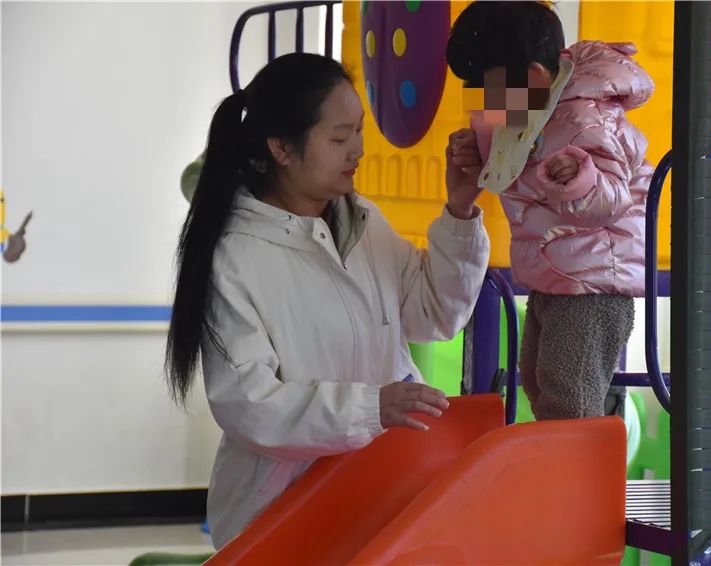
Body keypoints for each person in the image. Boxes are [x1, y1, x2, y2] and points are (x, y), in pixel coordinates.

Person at [165, 52, 490, 548]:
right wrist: (369, 408)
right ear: (281, 148)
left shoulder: (363, 221)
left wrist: (460, 210)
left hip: (381, 485)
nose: (357, 149)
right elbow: (250, 404)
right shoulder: (236, 256)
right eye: (339, 138)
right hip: (283, 512)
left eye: (359, 131)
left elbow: (435, 315)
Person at [446, 1, 655, 422]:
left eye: (487, 90)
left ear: (534, 77)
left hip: (594, 281)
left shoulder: (584, 118)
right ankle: (568, 450)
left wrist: (579, 180)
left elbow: (613, 197)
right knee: (536, 381)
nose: (482, 106)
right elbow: (511, 165)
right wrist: (477, 150)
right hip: (555, 275)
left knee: (568, 394)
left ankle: (579, 460)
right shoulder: (530, 111)